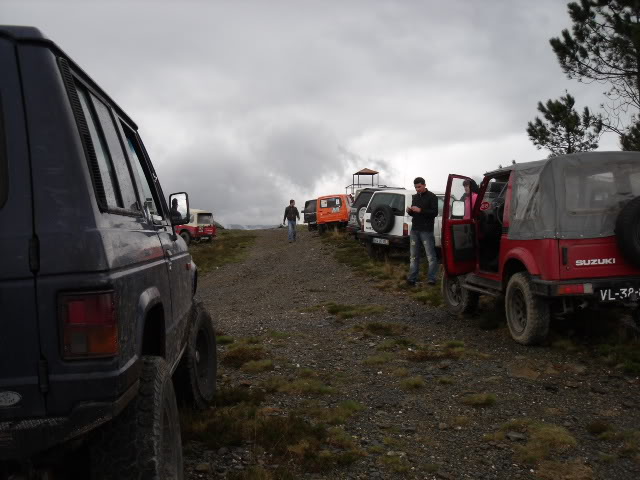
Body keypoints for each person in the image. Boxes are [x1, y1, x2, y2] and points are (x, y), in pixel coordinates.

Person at [406, 177, 440, 286]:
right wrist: (410, 211)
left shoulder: (432, 197)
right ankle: (412, 278)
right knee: (413, 256)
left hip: (426, 230)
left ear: (424, 185)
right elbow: (414, 213)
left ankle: (432, 278)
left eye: (419, 187)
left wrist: (421, 210)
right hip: (415, 229)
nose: (417, 189)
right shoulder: (415, 197)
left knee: (430, 256)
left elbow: (434, 213)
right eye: (416, 187)